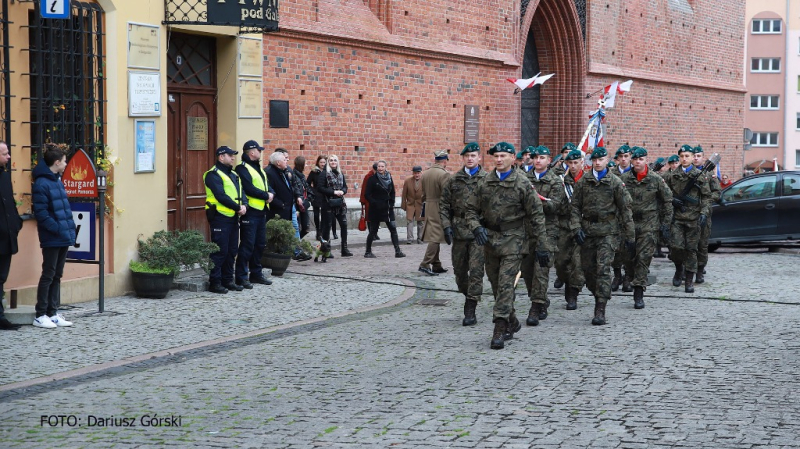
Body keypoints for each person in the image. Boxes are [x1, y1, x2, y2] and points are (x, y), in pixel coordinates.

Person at [466, 142, 550, 349]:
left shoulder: (522, 183)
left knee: (505, 284)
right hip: (490, 240)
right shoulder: (484, 182)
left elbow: (537, 216)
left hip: (514, 240)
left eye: (503, 156)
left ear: (513, 158)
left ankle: (499, 328)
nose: (499, 159)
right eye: (496, 156)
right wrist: (476, 227)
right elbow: (469, 209)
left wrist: (542, 245)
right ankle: (511, 320)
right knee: (496, 285)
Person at [570, 146, 635, 326]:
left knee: (603, 268)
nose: (597, 163)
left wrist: (630, 236)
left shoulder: (615, 182)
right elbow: (575, 207)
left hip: (608, 231)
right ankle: (597, 291)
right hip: (588, 230)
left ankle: (600, 307)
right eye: (595, 160)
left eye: (601, 160)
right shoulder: (584, 181)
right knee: (588, 270)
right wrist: (576, 228)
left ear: (607, 160)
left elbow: (625, 210)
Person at [439, 142, 487, 326]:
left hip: (478, 233)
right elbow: (443, 204)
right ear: (463, 158)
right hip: (459, 231)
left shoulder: (486, 179)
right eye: (467, 156)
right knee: (460, 272)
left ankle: (471, 306)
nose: (470, 158)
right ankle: (468, 294)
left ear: (479, 158)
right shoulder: (454, 180)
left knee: (476, 271)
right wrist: (446, 226)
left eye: (473, 155)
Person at [620, 147, 673, 309]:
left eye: (640, 159)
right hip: (628, 225)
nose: (637, 162)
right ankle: (629, 275)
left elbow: (667, 201)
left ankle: (638, 292)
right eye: (634, 159)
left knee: (643, 258)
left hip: (649, 225)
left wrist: (666, 224)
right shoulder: (624, 179)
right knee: (628, 258)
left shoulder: (655, 179)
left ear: (645, 160)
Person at [31, 144, 76, 328]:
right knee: (48, 274)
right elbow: (41, 213)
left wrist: (67, 228)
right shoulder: (42, 183)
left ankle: (53, 312)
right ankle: (40, 314)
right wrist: (57, 228)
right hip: (52, 236)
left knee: (57, 274)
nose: (66, 164)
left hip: (62, 234)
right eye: (64, 161)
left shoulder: (57, 180)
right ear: (56, 162)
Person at [521, 145, 565, 325]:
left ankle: (535, 306)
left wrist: (535, 200)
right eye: (535, 157)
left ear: (549, 160)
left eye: (542, 158)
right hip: (526, 230)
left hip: (548, 231)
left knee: (541, 269)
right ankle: (540, 298)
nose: (538, 161)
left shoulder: (555, 181)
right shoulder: (523, 179)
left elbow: (555, 206)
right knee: (527, 270)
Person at [667, 145, 712, 293]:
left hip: (694, 218)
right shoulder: (672, 175)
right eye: (682, 156)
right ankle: (679, 268)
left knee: (692, 250)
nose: (684, 159)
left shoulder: (700, 176)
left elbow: (706, 197)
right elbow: (664, 193)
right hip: (678, 218)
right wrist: (672, 200)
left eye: (687, 156)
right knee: (676, 247)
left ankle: (689, 279)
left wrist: (704, 213)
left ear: (693, 158)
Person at [204, 146, 247, 294]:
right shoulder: (213, 175)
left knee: (231, 250)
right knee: (219, 251)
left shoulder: (234, 174)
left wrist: (244, 205)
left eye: (233, 155)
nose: (233, 158)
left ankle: (228, 280)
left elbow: (242, 193)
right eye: (230, 155)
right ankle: (215, 282)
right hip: (219, 217)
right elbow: (220, 195)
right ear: (221, 157)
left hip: (233, 217)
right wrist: (237, 207)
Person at [234, 140, 274, 289]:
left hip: (261, 211)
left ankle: (256, 274)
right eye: (259, 150)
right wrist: (266, 195)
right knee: (247, 245)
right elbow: (249, 189)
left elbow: (266, 184)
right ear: (251, 152)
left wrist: (271, 193)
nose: (260, 152)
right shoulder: (242, 169)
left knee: (259, 244)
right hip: (250, 213)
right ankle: (242, 277)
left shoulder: (258, 168)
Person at [554, 149, 586, 310]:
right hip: (564, 227)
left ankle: (573, 293)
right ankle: (566, 282)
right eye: (570, 163)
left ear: (582, 163)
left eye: (576, 163)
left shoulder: (588, 181)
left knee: (577, 262)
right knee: (561, 262)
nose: (573, 166)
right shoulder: (561, 181)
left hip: (581, 227)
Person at [265, 151, 310, 261]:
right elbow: (270, 191)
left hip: (289, 207)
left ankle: (295, 251)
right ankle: (280, 255)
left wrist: (298, 196)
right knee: (280, 233)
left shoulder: (284, 171)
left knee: (293, 229)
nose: (287, 161)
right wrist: (282, 204)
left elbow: (293, 186)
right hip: (280, 208)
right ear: (278, 162)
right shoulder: (270, 172)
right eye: (285, 159)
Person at [0, 142, 22, 330]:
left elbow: (10, 205)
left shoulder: (5, 176)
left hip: (6, 237)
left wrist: (16, 224)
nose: (8, 157)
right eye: (5, 154)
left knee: (1, 277)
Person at [363, 160, 405, 258]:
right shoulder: (372, 179)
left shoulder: (389, 178)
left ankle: (397, 251)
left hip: (387, 208)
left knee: (393, 229)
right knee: (373, 231)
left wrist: (392, 203)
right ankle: (368, 251)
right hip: (376, 209)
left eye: (382, 166)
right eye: (379, 166)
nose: (380, 168)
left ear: (385, 167)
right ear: (377, 168)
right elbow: (367, 194)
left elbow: (393, 192)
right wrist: (374, 203)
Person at [418, 150, 451, 276]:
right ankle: (425, 263)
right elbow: (446, 195)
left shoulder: (425, 174)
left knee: (434, 233)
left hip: (428, 205)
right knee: (436, 236)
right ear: (444, 161)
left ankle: (436, 264)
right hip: (439, 206)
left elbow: (423, 194)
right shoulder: (444, 174)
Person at [693, 145, 720, 284]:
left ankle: (699, 270)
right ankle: (686, 270)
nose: (696, 158)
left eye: (699, 156)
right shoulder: (686, 174)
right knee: (687, 245)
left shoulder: (709, 175)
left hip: (704, 214)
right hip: (687, 214)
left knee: (702, 245)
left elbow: (717, 193)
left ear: (703, 158)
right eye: (694, 156)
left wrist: (706, 199)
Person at [316, 154, 353, 257]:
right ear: (328, 162)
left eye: (335, 160)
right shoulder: (324, 174)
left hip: (340, 204)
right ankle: (327, 251)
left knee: (344, 225)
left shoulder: (340, 173)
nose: (333, 162)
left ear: (337, 162)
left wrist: (342, 191)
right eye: (331, 160)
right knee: (327, 228)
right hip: (328, 203)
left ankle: (344, 249)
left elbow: (345, 187)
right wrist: (333, 192)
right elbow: (320, 188)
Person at [610, 144, 633, 292]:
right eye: (621, 157)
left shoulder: (635, 173)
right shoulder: (611, 174)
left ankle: (628, 277)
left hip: (630, 217)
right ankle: (617, 275)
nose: (623, 160)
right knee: (615, 249)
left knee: (630, 249)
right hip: (614, 217)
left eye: (626, 157)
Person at [401, 166, 424, 244]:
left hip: (420, 204)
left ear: (421, 173)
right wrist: (404, 205)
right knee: (409, 221)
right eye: (415, 173)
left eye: (418, 173)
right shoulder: (408, 181)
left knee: (421, 222)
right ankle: (410, 238)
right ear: (413, 173)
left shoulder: (425, 181)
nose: (416, 175)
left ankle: (420, 238)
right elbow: (404, 194)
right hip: (410, 204)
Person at [307, 155, 327, 240]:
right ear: (318, 163)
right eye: (321, 162)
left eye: (324, 162)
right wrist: (312, 190)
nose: (322, 164)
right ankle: (318, 230)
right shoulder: (314, 172)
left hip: (325, 195)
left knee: (324, 214)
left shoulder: (328, 171)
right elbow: (307, 183)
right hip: (316, 195)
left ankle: (321, 232)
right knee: (316, 214)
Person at [293, 156, 312, 239]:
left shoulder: (302, 176)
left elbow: (307, 188)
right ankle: (297, 243)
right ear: (301, 165)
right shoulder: (294, 175)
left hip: (304, 204)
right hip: (298, 204)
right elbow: (295, 190)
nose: (306, 165)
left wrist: (309, 199)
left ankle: (299, 241)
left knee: (306, 227)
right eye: (305, 163)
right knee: (298, 226)